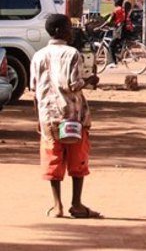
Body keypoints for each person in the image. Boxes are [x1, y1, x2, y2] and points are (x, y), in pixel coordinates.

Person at [30, 14, 102, 219]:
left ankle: (57, 205)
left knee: (53, 158)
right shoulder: (72, 54)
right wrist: (91, 79)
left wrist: (38, 118)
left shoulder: (38, 56)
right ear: (59, 31)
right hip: (72, 115)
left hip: (47, 117)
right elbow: (73, 84)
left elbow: (34, 89)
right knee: (77, 158)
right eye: (69, 28)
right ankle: (76, 204)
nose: (72, 32)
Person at [101, 0, 126, 67]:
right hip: (125, 30)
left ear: (117, 2)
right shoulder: (123, 10)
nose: (113, 3)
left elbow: (109, 20)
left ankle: (113, 63)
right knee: (115, 43)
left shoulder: (116, 10)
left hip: (119, 31)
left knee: (111, 46)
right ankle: (118, 55)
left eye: (114, 1)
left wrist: (100, 26)